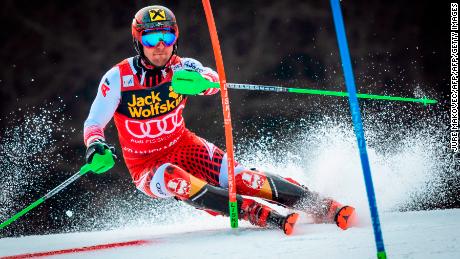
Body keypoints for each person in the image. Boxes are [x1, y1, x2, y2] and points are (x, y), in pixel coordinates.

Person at [83, 5, 356, 235]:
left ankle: (320, 205)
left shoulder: (182, 67)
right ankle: (253, 212)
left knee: (244, 178)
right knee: (173, 178)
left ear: (175, 38)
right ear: (138, 41)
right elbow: (94, 121)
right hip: (146, 166)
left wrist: (202, 83)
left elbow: (214, 80)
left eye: (166, 37)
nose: (160, 47)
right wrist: (95, 145)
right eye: (151, 40)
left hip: (185, 146)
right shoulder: (118, 78)